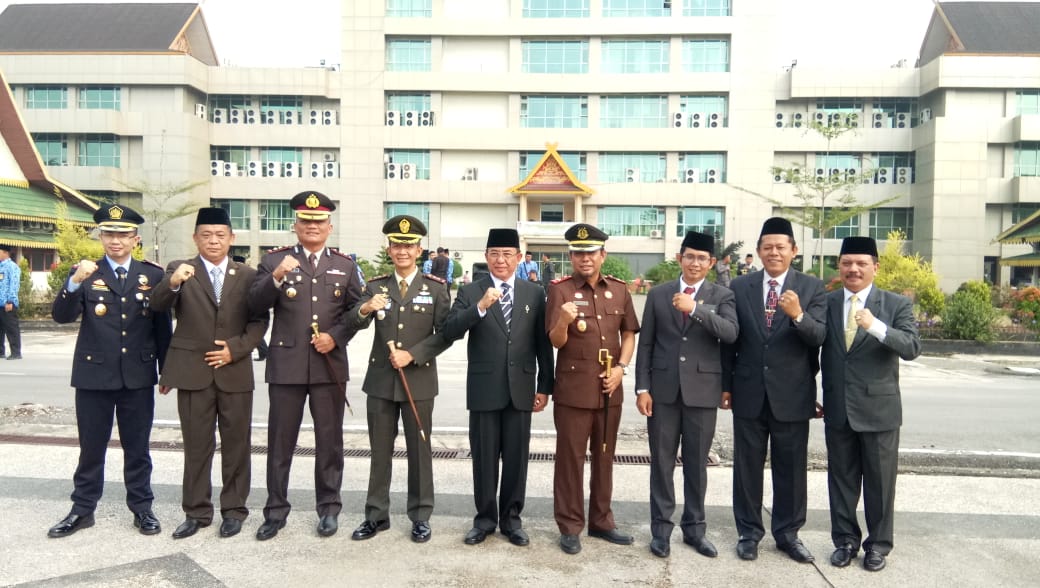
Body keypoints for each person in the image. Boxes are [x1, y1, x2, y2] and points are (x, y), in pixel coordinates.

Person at [48, 204, 172, 538]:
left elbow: (162, 330)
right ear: (101, 237)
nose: (115, 241)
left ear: (135, 239)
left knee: (138, 448)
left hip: (137, 376)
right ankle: (82, 509)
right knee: (91, 448)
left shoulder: (153, 275)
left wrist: (166, 372)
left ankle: (142, 508)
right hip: (94, 376)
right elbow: (60, 316)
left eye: (123, 235)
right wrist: (74, 281)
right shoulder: (86, 272)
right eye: (109, 234)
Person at [248, 191, 363, 541]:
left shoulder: (344, 265)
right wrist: (277, 278)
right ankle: (275, 511)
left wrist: (337, 336)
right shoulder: (275, 261)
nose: (312, 227)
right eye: (305, 221)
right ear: (295, 226)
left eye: (319, 222)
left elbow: (358, 313)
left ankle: (329, 509)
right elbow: (253, 304)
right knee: (280, 442)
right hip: (286, 365)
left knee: (330, 443)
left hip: (329, 366)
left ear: (329, 226)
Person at [150, 208, 269, 539]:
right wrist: (172, 283)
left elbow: (260, 321)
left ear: (231, 239)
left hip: (234, 371)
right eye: (206, 235)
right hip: (192, 372)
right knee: (196, 446)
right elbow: (156, 306)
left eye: (220, 235)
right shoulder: (179, 269)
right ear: (195, 238)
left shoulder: (247, 275)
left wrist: (236, 348)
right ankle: (197, 512)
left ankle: (234, 510)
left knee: (236, 445)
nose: (213, 241)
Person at [721, 217, 826, 563]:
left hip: (793, 395)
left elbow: (818, 338)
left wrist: (797, 315)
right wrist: (726, 385)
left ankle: (788, 534)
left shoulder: (812, 288)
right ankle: (748, 533)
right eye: (767, 247)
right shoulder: (740, 286)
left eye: (781, 247)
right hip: (748, 390)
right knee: (746, 467)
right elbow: (730, 342)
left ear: (794, 251)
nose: (774, 252)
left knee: (791, 469)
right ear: (759, 251)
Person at [443, 228, 554, 547]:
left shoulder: (533, 292)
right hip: (484, 388)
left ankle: (512, 520)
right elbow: (450, 330)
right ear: (486, 256)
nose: (501, 260)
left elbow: (542, 343)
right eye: (494, 254)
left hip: (521, 385)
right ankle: (485, 519)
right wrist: (479, 307)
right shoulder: (471, 290)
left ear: (519, 258)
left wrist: (545, 385)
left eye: (507, 254)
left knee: (517, 459)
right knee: (484, 458)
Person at [635, 231, 739, 559]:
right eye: (689, 256)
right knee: (662, 464)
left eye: (702, 258)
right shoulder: (659, 294)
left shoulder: (722, 295)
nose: (695, 263)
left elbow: (731, 333)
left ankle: (695, 529)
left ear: (711, 263)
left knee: (696, 464)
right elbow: (647, 344)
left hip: (702, 392)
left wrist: (695, 308)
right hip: (663, 393)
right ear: (680, 258)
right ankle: (661, 531)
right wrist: (642, 388)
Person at [349, 215, 452, 544]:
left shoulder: (435, 288)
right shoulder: (376, 286)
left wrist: (414, 354)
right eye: (397, 245)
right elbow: (355, 321)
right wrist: (365, 308)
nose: (403, 250)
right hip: (380, 382)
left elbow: (446, 334)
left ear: (420, 249)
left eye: (409, 245)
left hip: (418, 382)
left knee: (419, 451)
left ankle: (421, 515)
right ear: (389, 249)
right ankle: (376, 515)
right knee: (379, 452)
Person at [821, 236, 921, 572]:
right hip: (838, 410)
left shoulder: (894, 305)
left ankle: (878, 546)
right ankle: (845, 541)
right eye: (847, 262)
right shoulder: (828, 302)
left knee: (880, 485)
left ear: (875, 267)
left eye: (861, 263)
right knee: (841, 482)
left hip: (879, 413)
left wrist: (876, 326)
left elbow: (910, 346)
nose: (854, 269)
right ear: (840, 266)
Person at [546, 223, 639, 555]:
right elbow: (556, 341)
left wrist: (621, 368)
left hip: (609, 388)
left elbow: (629, 332)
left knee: (604, 457)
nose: (584, 258)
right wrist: (563, 321)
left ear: (603, 255)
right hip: (573, 390)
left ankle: (602, 521)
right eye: (578, 253)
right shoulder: (559, 291)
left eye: (590, 252)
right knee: (570, 460)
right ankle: (570, 526)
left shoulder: (619, 289)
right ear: (571, 256)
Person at [0, 244, 22, 360]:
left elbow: (14, 285)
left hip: (8, 304)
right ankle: (0, 351)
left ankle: (16, 352)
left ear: (5, 253)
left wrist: (10, 301)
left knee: (11, 328)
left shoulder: (12, 267)